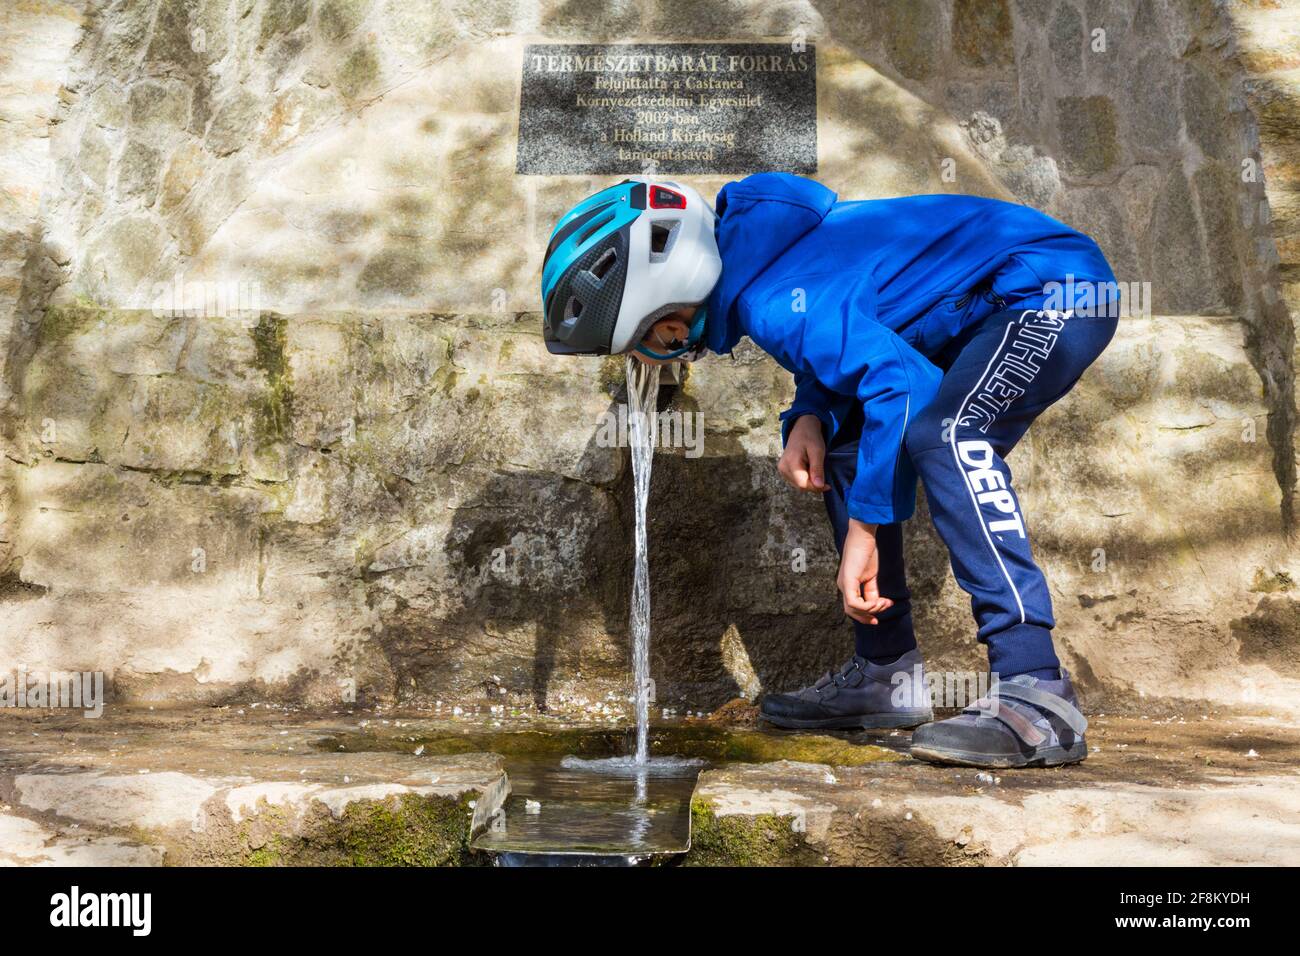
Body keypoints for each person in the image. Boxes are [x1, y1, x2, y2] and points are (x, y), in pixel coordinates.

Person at [540, 174, 1116, 769]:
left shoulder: (766, 300)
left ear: (668, 322)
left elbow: (904, 388)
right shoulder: (760, 263)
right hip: (973, 307)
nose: (639, 361)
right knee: (841, 442)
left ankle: (1038, 690)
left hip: (1052, 287)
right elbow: (853, 323)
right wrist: (810, 413)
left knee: (948, 434)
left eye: (635, 345)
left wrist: (864, 532)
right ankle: (887, 672)